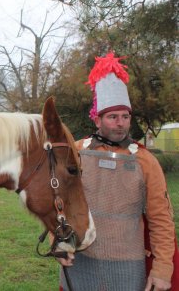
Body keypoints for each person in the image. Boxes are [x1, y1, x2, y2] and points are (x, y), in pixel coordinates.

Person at [57, 52, 176, 291]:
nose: (120, 123)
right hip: (79, 262)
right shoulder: (76, 153)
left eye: (125, 116)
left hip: (127, 265)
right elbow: (59, 203)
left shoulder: (145, 161)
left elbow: (161, 220)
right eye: (112, 117)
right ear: (98, 120)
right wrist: (58, 241)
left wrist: (162, 269)